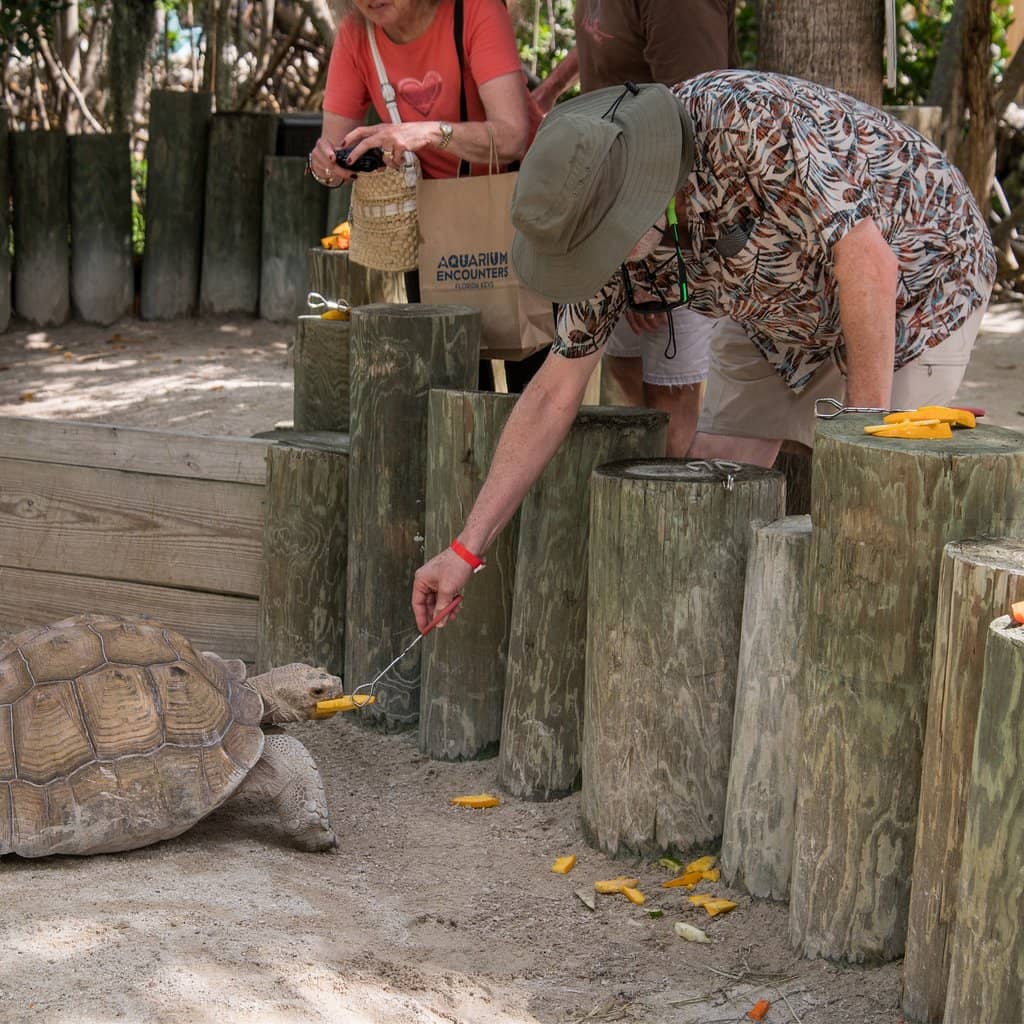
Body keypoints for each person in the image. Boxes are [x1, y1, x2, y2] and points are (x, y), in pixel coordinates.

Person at [412, 72, 996, 630]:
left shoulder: (745, 121)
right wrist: (465, 550)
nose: (595, 267)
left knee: (882, 506)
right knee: (711, 486)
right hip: (768, 305)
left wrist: (865, 434)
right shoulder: (587, 223)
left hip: (917, 282)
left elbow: (868, 262)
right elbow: (549, 397)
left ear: (634, 198)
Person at [528, 0, 735, 456]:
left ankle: (671, 512)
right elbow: (604, 42)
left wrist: (648, 264)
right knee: (624, 370)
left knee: (669, 396)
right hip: (614, 204)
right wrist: (549, 91)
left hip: (672, 220)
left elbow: (694, 122)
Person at [307, 0, 539, 390]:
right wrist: (325, 166)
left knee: (531, 388)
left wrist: (425, 133)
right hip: (432, 227)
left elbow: (514, 136)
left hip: (517, 211)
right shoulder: (355, 33)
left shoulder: (476, 9)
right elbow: (332, 148)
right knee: (451, 388)